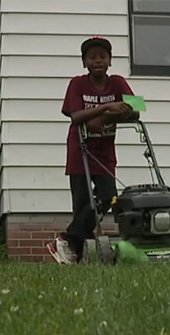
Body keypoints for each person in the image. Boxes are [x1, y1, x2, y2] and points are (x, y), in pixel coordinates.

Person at [46, 36, 138, 264]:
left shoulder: (117, 83)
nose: (98, 61)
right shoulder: (77, 84)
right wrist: (107, 107)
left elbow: (135, 111)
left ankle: (65, 239)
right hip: (81, 150)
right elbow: (76, 116)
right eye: (92, 57)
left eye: (102, 57)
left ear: (110, 60)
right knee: (82, 204)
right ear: (84, 61)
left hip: (105, 152)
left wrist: (102, 118)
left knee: (108, 197)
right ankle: (78, 255)